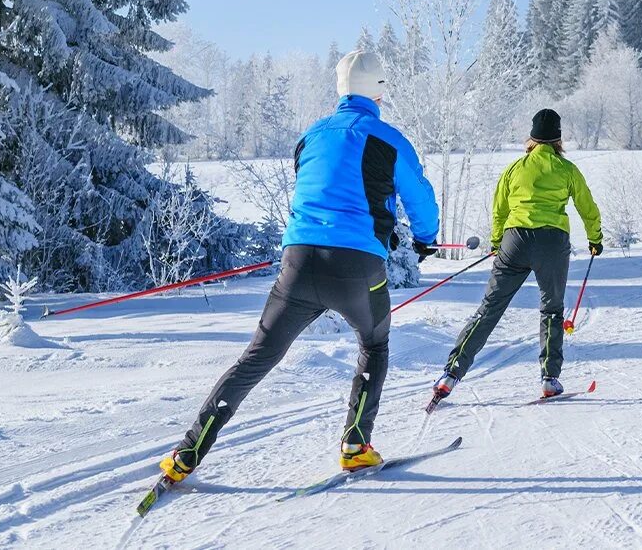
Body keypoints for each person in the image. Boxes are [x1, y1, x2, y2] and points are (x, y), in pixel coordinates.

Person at [159, 49, 439, 480]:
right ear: (380, 92)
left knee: (257, 356)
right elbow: (419, 198)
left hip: (299, 262)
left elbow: (322, 186)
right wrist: (423, 239)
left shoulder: (311, 135)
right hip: (357, 267)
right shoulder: (388, 138)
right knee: (374, 344)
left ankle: (187, 452)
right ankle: (355, 444)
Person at [433, 108, 602, 401]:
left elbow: (499, 208)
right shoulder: (567, 169)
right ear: (558, 139)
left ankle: (450, 374)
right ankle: (549, 379)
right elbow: (587, 206)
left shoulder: (516, 168)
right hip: (552, 241)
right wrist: (594, 238)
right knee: (551, 309)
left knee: (489, 308)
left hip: (516, 240)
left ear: (533, 137)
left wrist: (498, 242)